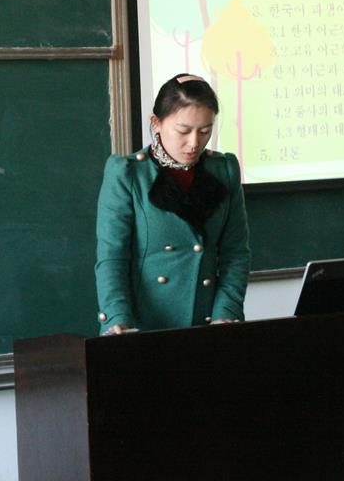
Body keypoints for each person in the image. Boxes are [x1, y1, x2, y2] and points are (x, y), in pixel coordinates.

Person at [94, 74, 250, 335]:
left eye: (205, 131)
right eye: (183, 131)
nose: (194, 143)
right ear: (156, 123)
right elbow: (112, 257)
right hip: (143, 328)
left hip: (209, 324)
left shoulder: (224, 170)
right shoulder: (129, 174)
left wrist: (226, 313)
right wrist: (116, 318)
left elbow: (235, 254)